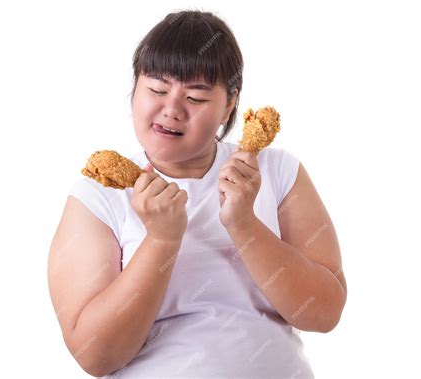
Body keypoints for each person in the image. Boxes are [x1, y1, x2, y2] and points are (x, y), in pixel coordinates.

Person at [48, 10, 347, 378]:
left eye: (196, 97)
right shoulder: (98, 194)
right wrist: (161, 240)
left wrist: (244, 225)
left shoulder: (278, 172)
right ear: (135, 88)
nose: (171, 109)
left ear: (230, 104)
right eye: (156, 89)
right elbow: (96, 356)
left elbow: (324, 312)